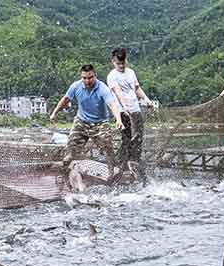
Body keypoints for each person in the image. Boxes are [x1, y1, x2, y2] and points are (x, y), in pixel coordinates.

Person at [49, 64, 124, 186]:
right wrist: (54, 113)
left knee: (108, 149)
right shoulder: (76, 86)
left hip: (100, 123)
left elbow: (112, 104)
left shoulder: (102, 88)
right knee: (70, 152)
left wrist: (118, 119)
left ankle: (112, 175)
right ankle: (63, 175)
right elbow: (65, 99)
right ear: (81, 77)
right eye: (84, 78)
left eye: (90, 77)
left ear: (95, 76)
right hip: (81, 122)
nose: (87, 81)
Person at [107, 47, 155, 181]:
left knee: (138, 138)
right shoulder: (112, 76)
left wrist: (146, 100)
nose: (121, 66)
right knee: (126, 139)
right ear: (113, 61)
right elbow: (118, 92)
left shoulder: (131, 72)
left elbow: (137, 88)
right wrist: (124, 107)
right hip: (123, 111)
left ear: (126, 60)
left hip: (136, 109)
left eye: (123, 63)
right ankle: (122, 166)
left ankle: (135, 162)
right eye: (118, 63)